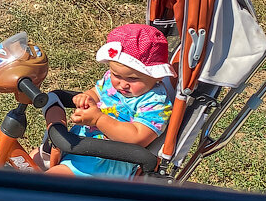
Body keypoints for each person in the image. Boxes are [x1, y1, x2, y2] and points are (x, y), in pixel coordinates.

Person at [41, 23, 174, 178]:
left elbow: (138, 137)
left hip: (106, 161)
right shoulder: (112, 81)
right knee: (33, 158)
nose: (122, 84)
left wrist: (98, 119)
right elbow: (97, 93)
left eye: (133, 79)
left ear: (156, 76)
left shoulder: (155, 103)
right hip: (80, 145)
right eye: (116, 74)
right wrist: (85, 98)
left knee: (45, 182)